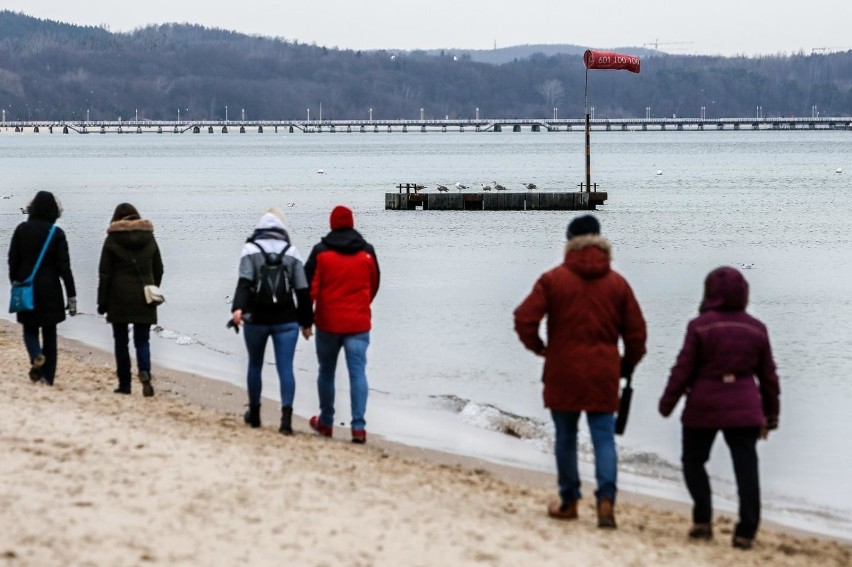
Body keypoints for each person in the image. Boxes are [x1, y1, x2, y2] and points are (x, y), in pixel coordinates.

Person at [513, 214, 646, 528]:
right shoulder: (617, 284)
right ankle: (606, 501)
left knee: (566, 438)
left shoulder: (553, 279)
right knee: (603, 439)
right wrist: (625, 365)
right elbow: (637, 335)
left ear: (569, 242)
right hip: (604, 372)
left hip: (563, 369)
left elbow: (523, 318)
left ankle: (570, 501)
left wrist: (540, 348)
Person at [659, 266, 780, 550]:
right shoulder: (756, 328)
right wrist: (771, 415)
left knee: (693, 461)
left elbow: (683, 369)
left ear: (709, 292)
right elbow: (769, 377)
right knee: (746, 469)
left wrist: (668, 402)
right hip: (745, 407)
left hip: (704, 405)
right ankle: (745, 532)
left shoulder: (699, 326)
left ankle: (702, 520)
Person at [230, 208, 313, 434]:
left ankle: (255, 414)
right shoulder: (292, 251)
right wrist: (307, 323)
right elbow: (302, 291)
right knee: (286, 368)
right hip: (286, 320)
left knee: (255, 365)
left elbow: (244, 284)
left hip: (256, 318)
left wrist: (237, 309)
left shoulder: (250, 249)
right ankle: (285, 420)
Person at [304, 205, 380, 444]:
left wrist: (305, 320)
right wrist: (362, 305)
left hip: (327, 323)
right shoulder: (367, 252)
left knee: (326, 371)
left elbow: (308, 289)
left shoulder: (320, 252)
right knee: (358, 373)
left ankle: (326, 422)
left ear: (331, 223)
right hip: (358, 323)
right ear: (352, 223)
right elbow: (374, 283)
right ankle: (358, 428)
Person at [8, 191, 77, 385]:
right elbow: (65, 268)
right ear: (54, 211)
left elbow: (13, 260)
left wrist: (15, 281)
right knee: (50, 334)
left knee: (29, 330)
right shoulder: (57, 234)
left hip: (26, 286)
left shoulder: (22, 230)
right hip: (51, 290)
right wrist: (72, 296)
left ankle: (36, 355)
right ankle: (48, 377)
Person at [97, 203, 163, 397]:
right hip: (144, 297)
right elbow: (159, 267)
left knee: (121, 342)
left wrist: (102, 301)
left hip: (118, 297)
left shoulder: (112, 239)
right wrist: (152, 287)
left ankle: (125, 384)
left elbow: (105, 274)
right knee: (143, 341)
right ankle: (145, 373)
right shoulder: (148, 237)